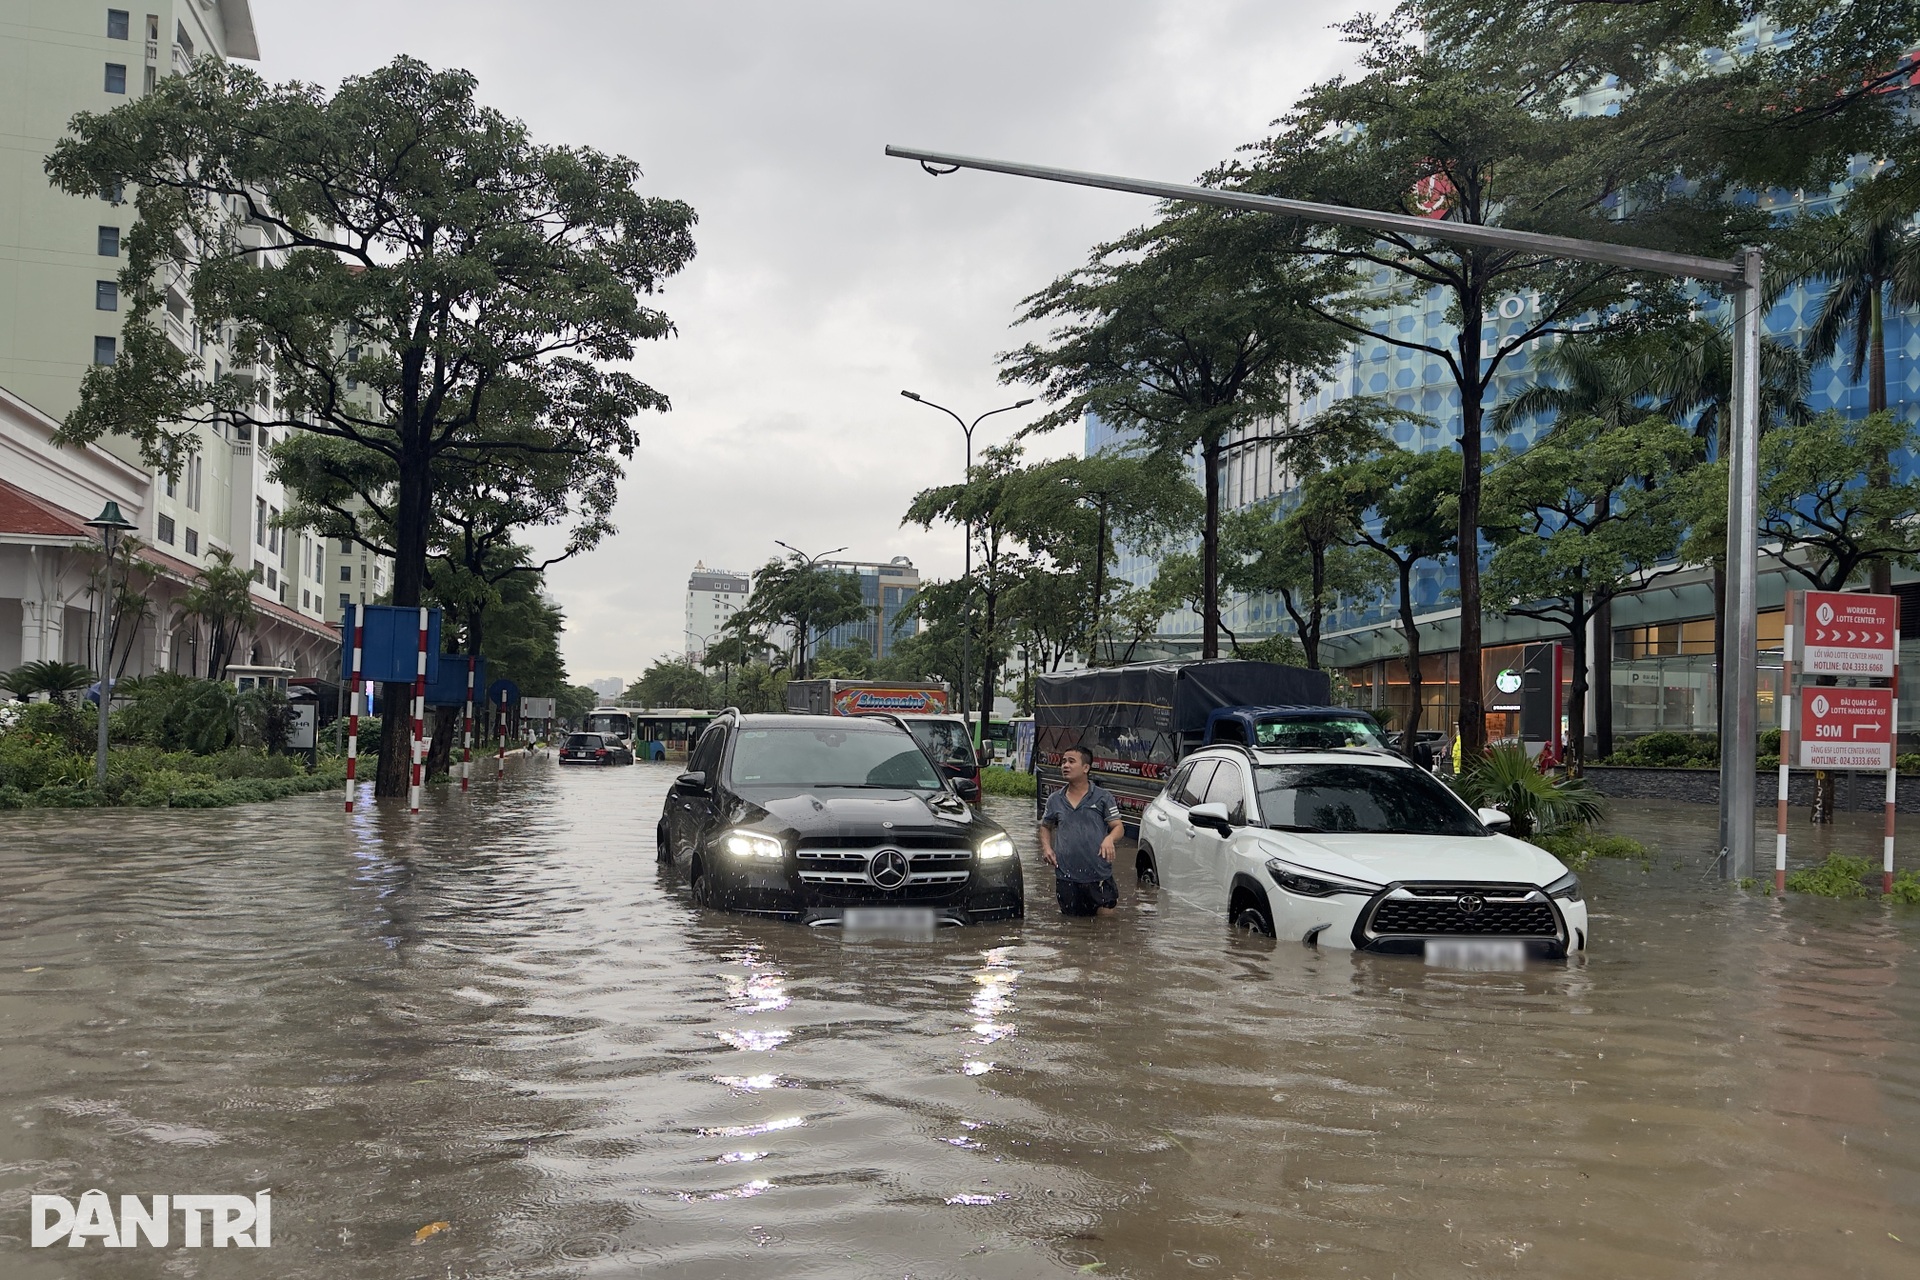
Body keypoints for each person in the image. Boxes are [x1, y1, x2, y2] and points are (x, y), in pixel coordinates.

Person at [1039, 745, 1125, 917]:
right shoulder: (1055, 800)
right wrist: (1047, 848)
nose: (1065, 766)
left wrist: (1109, 839)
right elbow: (1045, 826)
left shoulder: (1103, 797)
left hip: (1099, 875)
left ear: (1086, 768)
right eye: (1063, 762)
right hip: (1066, 876)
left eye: (1071, 761)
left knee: (1106, 926)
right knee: (1072, 929)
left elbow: (1118, 827)